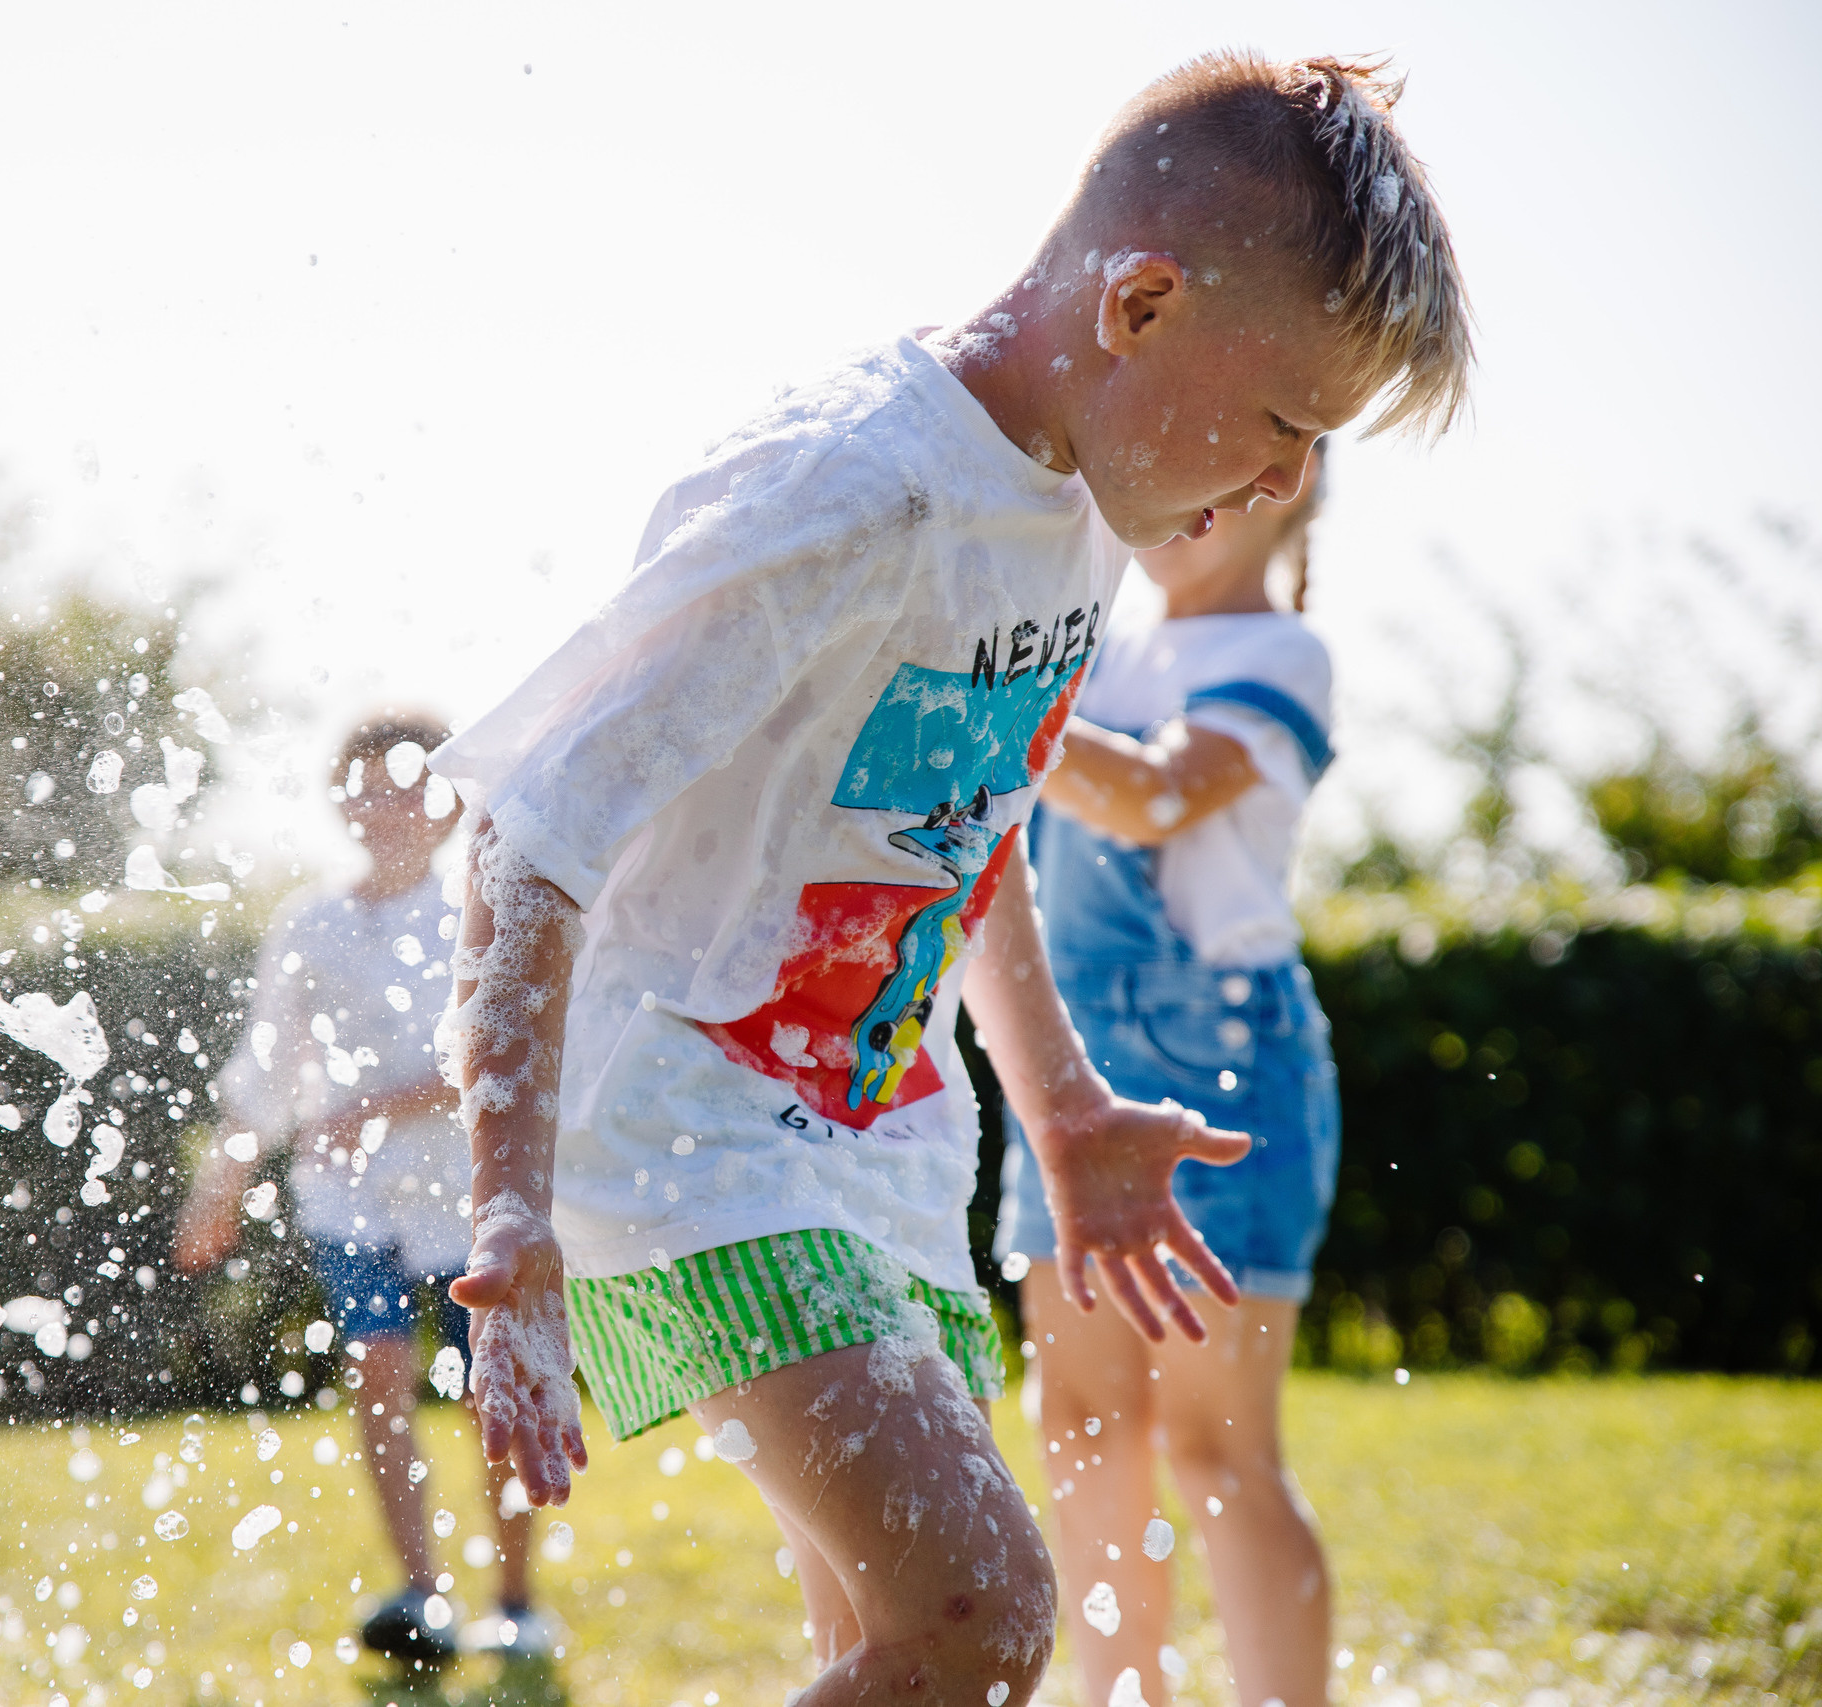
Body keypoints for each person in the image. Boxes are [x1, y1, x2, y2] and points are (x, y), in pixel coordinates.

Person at [424, 52, 1469, 1707]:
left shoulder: (1074, 510)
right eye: (1285, 424)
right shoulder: (854, 496)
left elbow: (960, 825)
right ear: (1139, 304)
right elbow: (532, 835)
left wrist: (1059, 1105)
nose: (1282, 488)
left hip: (880, 1144)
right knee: (979, 1610)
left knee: (882, 1645)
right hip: (693, 1130)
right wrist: (507, 1205)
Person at [994, 440, 1340, 1707]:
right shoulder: (1104, 648)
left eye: (1208, 479)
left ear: (1281, 484)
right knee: (1082, 1429)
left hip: (1226, 1069)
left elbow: (1148, 799)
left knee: (1215, 1451)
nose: (1166, 511)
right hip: (1076, 1066)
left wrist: (983, 699)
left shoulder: (1280, 656)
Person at [174, 714, 557, 1667]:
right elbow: (265, 1070)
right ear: (341, 800)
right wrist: (218, 1186)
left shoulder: (474, 906)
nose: (386, 805)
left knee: (489, 1391)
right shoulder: (308, 922)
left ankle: (514, 1602)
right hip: (348, 1196)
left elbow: (494, 1053)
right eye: (368, 786)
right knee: (378, 1373)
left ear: (447, 802)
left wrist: (381, 1105)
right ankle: (421, 1592)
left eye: (408, 786)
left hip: (463, 1196)